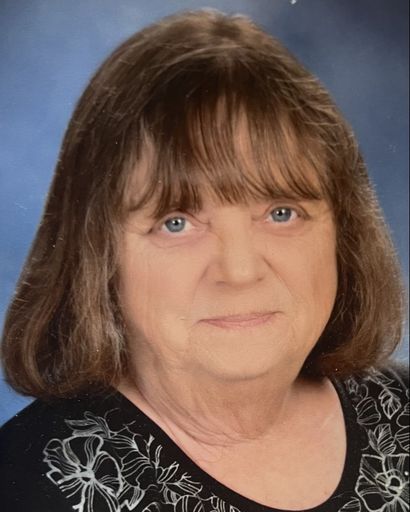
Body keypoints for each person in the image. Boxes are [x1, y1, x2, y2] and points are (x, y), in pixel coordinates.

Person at [0, 9, 408, 512]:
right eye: (177, 222)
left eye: (281, 213)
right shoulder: (25, 482)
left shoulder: (403, 411)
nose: (240, 271)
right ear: (98, 255)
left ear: (343, 233)